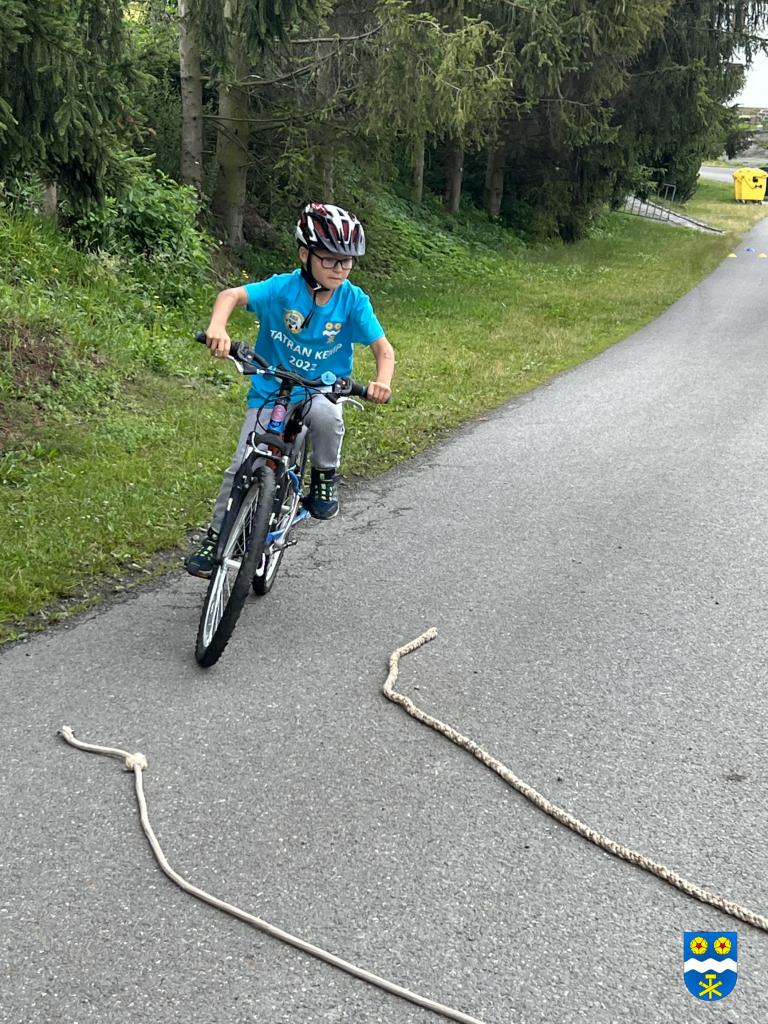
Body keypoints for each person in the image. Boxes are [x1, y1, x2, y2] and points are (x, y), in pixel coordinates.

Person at [185, 201, 395, 578]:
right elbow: (231, 296)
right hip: (271, 387)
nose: (339, 268)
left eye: (347, 261)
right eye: (329, 259)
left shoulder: (352, 301)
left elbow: (383, 349)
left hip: (320, 389)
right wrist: (218, 327)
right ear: (304, 255)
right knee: (241, 464)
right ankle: (216, 536)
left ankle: (324, 478)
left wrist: (382, 382)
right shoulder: (282, 289)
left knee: (327, 416)